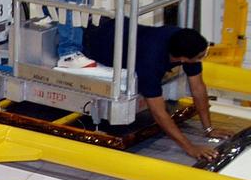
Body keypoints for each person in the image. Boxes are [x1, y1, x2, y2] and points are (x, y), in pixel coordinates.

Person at [83, 17, 221, 162]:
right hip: (95, 38)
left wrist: (209, 129)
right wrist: (190, 148)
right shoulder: (150, 63)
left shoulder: (186, 43)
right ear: (183, 59)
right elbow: (158, 112)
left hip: (119, 27)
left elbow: (198, 88)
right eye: (201, 56)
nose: (203, 57)